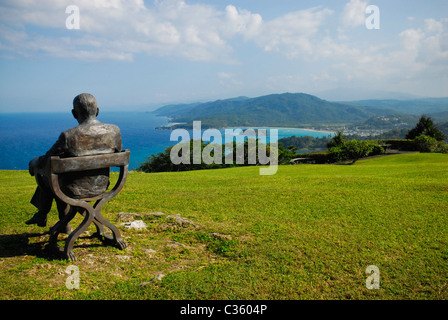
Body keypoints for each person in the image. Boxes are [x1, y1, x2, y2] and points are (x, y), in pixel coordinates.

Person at [26, 93, 122, 229]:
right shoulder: (114, 131)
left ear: (74, 113)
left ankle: (46, 216)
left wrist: (33, 162)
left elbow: (47, 159)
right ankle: (54, 220)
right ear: (98, 111)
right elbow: (118, 151)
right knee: (59, 178)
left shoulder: (68, 136)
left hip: (72, 189)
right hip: (101, 185)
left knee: (51, 181)